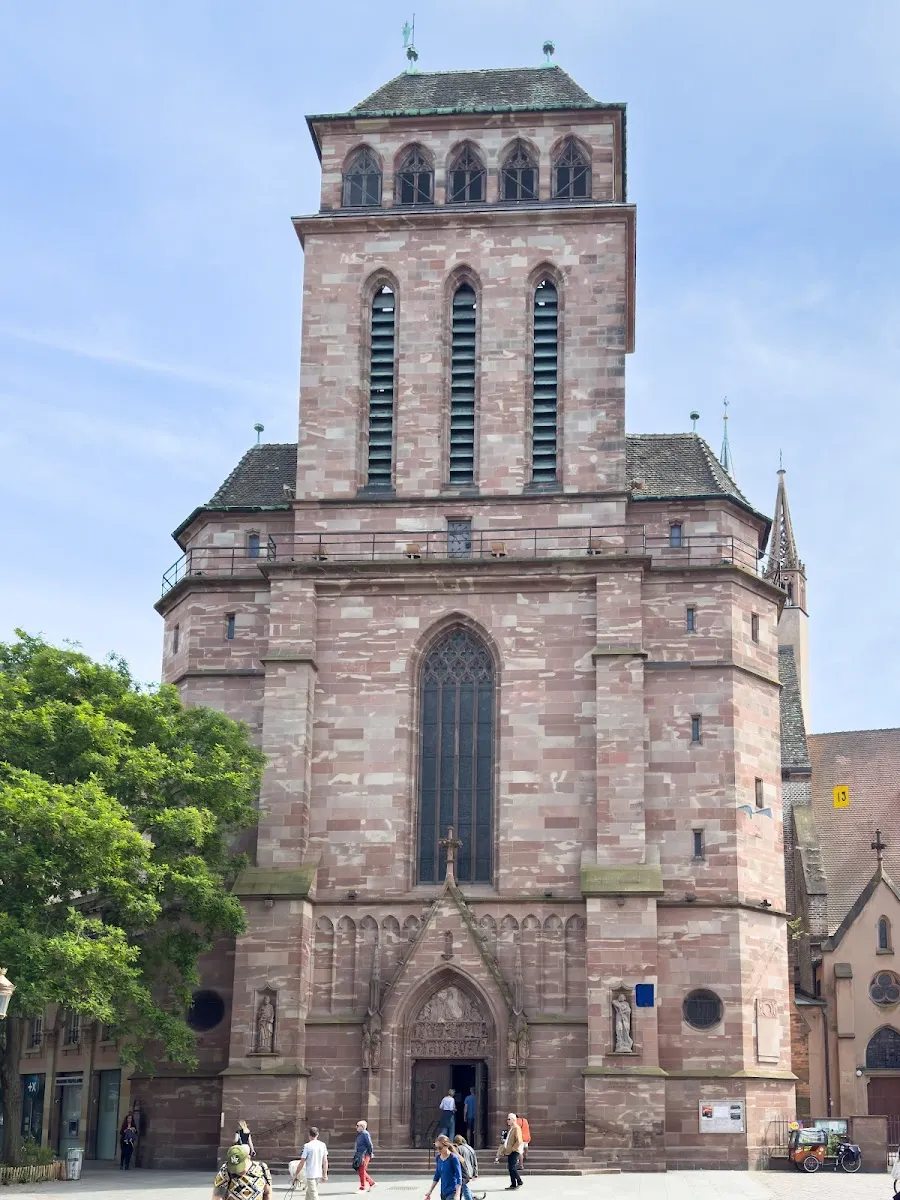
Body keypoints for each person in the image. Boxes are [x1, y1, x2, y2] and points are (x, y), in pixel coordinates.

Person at [292, 1126, 328, 1200]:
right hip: (318, 1173)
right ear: (317, 1134)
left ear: (309, 1135)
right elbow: (325, 1161)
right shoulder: (322, 1145)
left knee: (314, 1195)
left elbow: (302, 1162)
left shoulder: (307, 1146)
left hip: (310, 1174)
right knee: (309, 1194)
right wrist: (325, 1174)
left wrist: (296, 1174)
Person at [425, 1134, 462, 1200]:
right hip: (443, 1192)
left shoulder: (453, 1158)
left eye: (440, 1148)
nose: (438, 1150)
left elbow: (459, 1177)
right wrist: (430, 1191)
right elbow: (437, 1175)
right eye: (436, 1148)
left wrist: (457, 1194)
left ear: (447, 1146)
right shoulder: (438, 1158)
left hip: (452, 1192)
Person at [495, 1112, 524, 1190]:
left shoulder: (516, 1128)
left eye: (509, 1119)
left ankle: (519, 1181)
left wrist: (513, 1149)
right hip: (510, 1151)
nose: (507, 1121)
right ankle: (513, 1184)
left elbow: (519, 1140)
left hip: (514, 1151)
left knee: (512, 1168)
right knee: (510, 1168)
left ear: (513, 1120)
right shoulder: (512, 1128)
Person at [453, 1134, 485, 1200]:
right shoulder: (470, 1148)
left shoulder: (458, 1149)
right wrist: (475, 1173)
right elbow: (475, 1161)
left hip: (463, 1171)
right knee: (463, 1187)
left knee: (464, 1187)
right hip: (470, 1170)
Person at [354, 1119, 375, 1191]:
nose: (356, 1127)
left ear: (362, 1127)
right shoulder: (360, 1134)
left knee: (362, 1170)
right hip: (360, 1154)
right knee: (361, 1170)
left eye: (357, 1126)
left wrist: (370, 1153)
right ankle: (371, 1183)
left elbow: (369, 1144)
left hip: (364, 1154)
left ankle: (363, 1187)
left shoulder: (365, 1134)